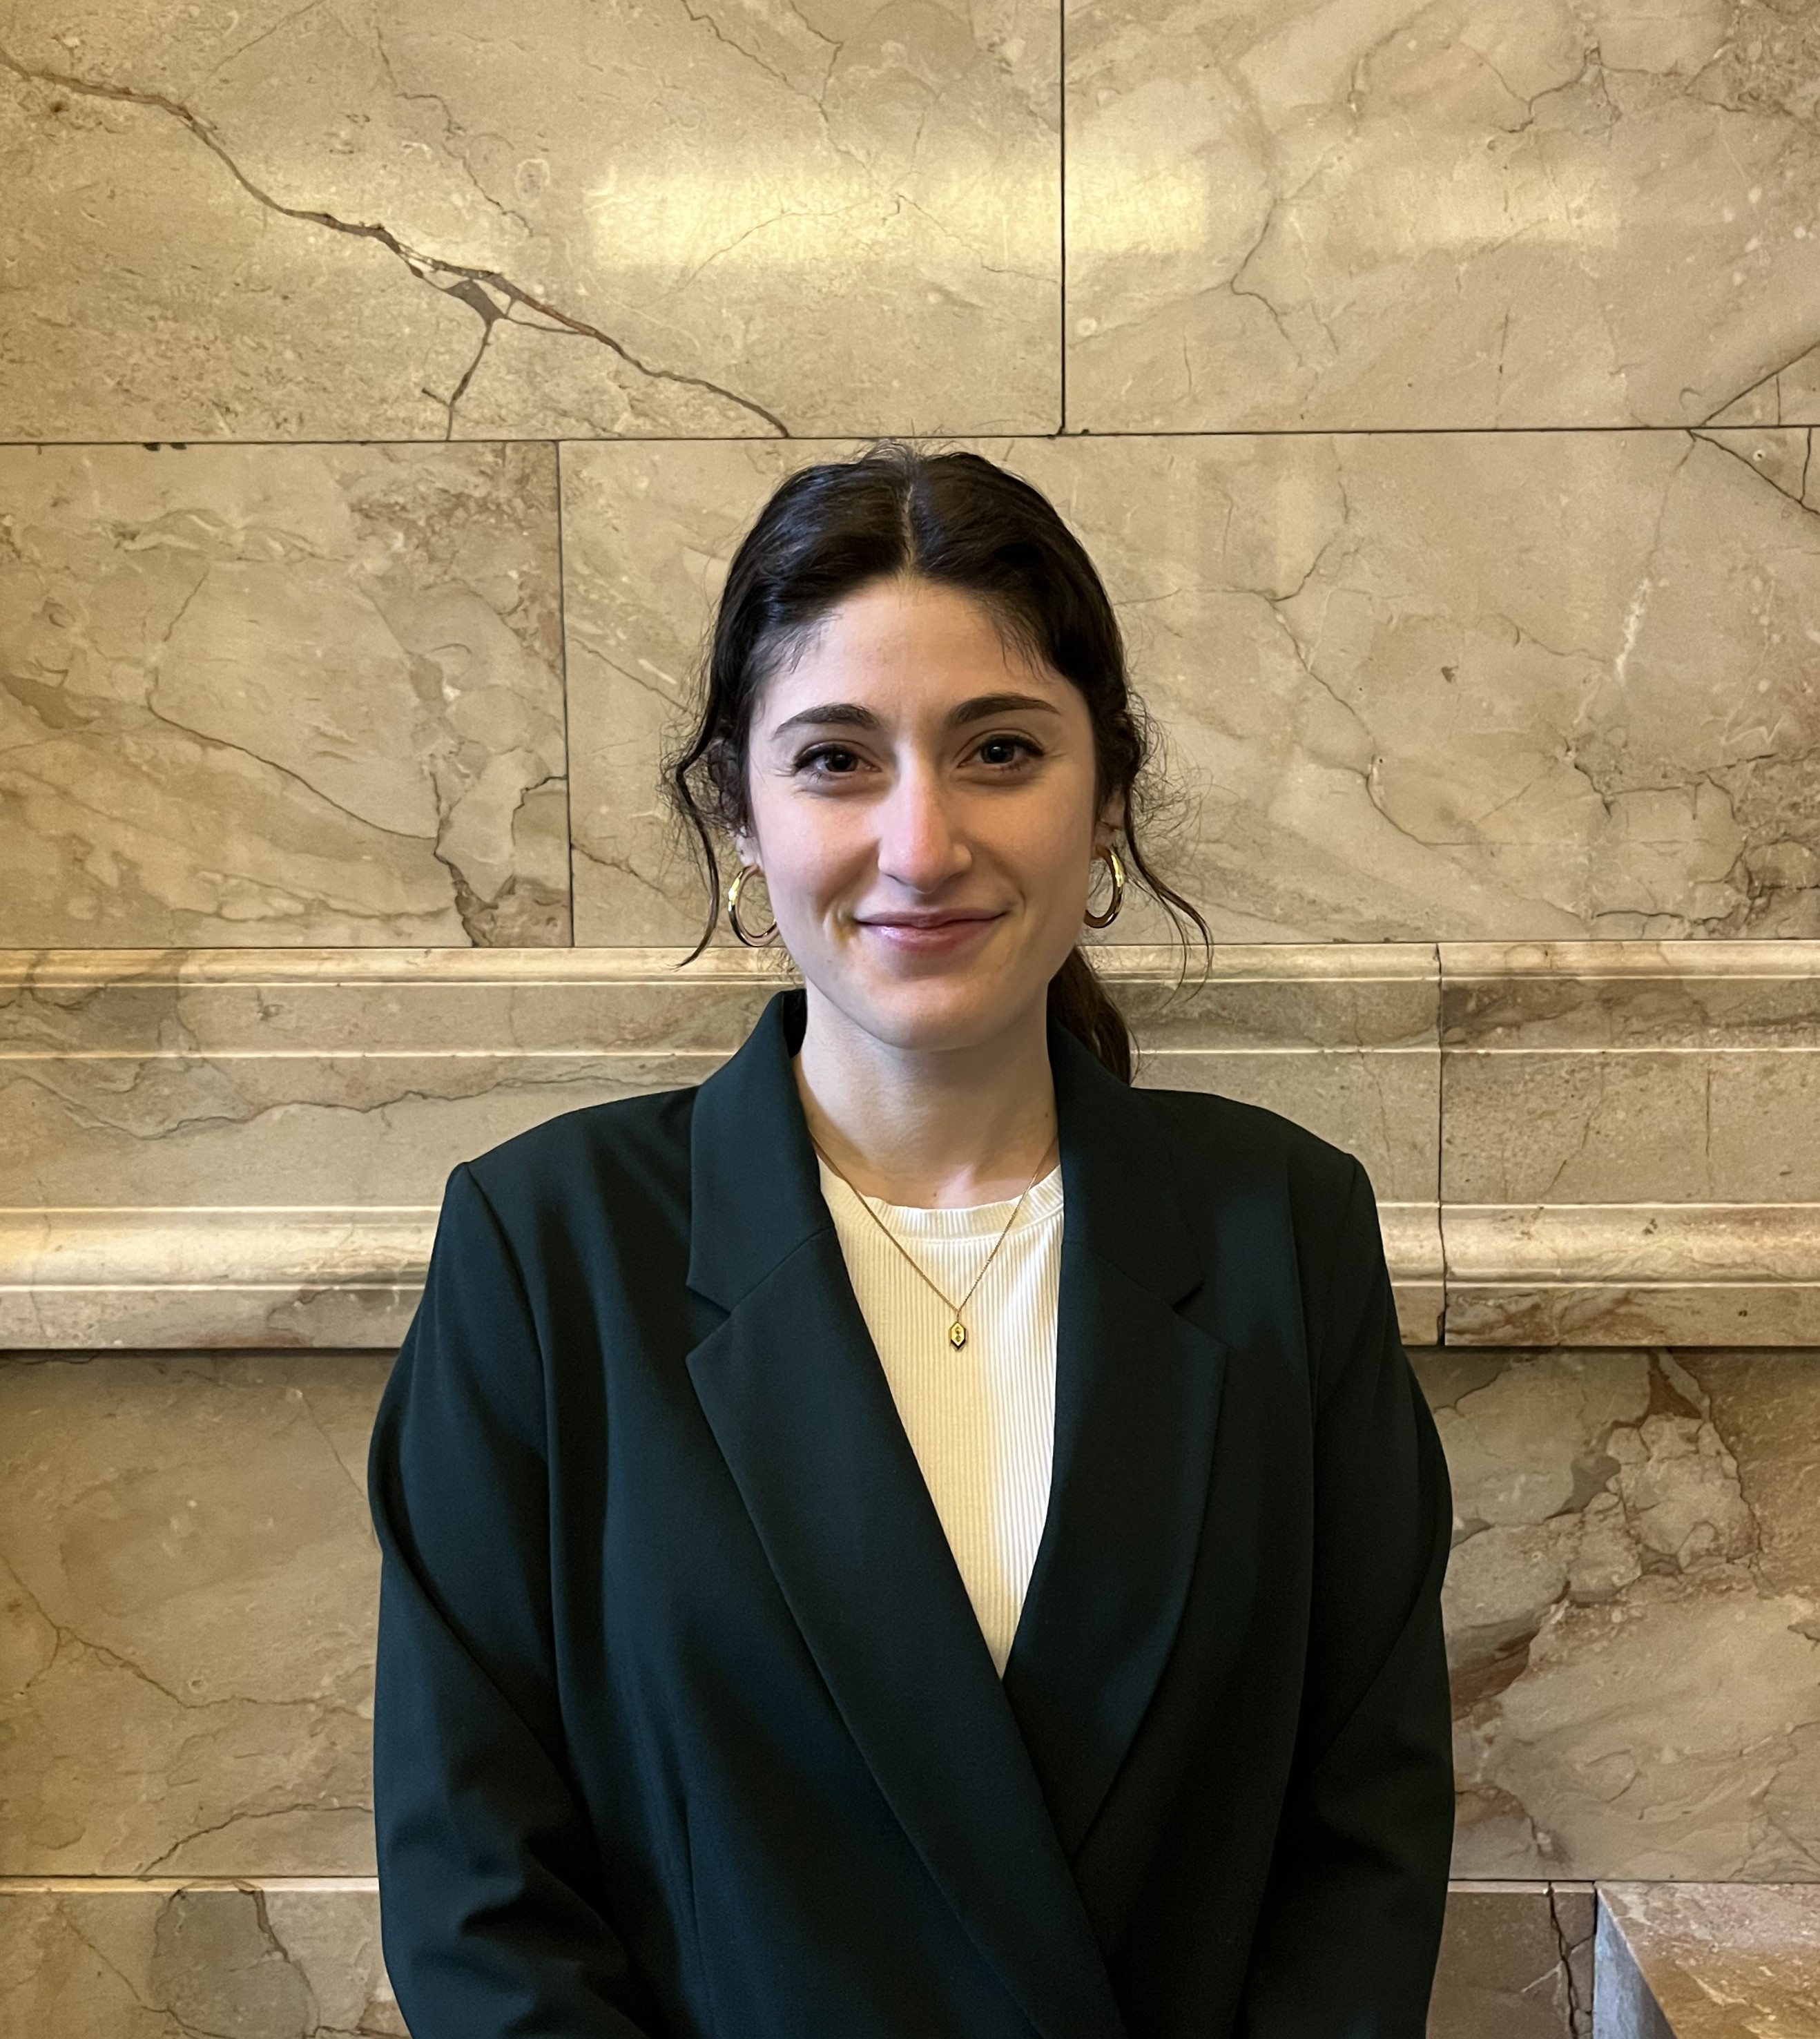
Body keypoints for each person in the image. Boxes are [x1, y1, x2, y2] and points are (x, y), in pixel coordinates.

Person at [367, 443, 1456, 2039]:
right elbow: (479, 1889)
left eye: (999, 748)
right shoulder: (545, 1251)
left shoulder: (1284, 1229)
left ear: (1107, 803)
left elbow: (1362, 1839)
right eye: (835, 760)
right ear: (738, 811)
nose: (922, 840)